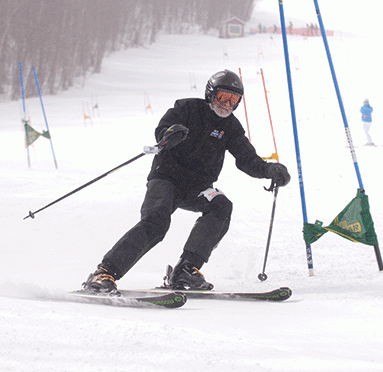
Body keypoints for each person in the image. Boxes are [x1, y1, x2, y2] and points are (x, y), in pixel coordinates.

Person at [82, 70, 291, 294]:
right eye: (223, 97)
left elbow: (247, 159)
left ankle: (186, 270)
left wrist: (270, 169)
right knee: (156, 223)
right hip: (166, 178)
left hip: (198, 188)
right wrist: (170, 134)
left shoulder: (231, 127)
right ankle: (104, 273)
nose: (227, 104)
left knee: (221, 206)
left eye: (234, 100)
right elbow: (162, 131)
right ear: (211, 94)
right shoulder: (187, 108)